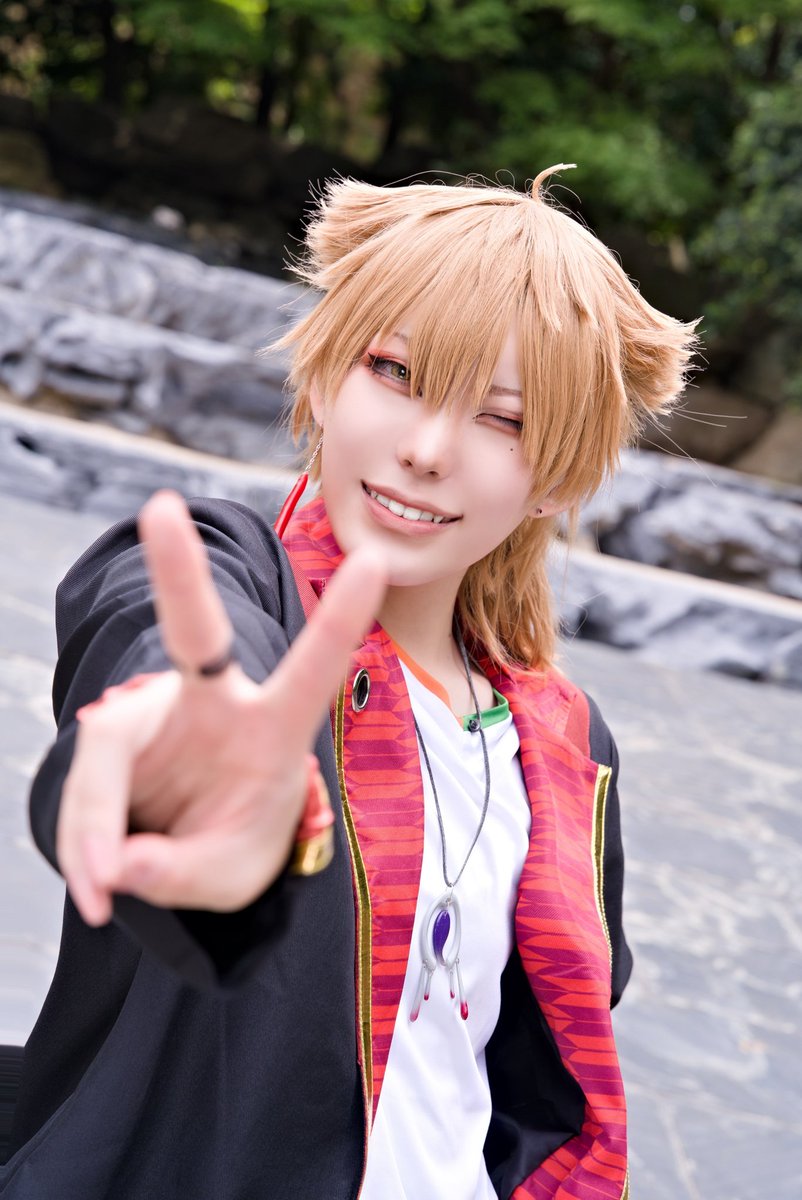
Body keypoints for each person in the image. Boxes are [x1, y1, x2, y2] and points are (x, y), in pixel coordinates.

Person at [0, 167, 697, 1200]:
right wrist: (185, 760)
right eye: (394, 370)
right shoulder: (226, 579)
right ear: (326, 375)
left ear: (555, 478)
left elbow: (525, 1081)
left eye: (502, 419)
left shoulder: (567, 747)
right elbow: (156, 636)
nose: (425, 449)